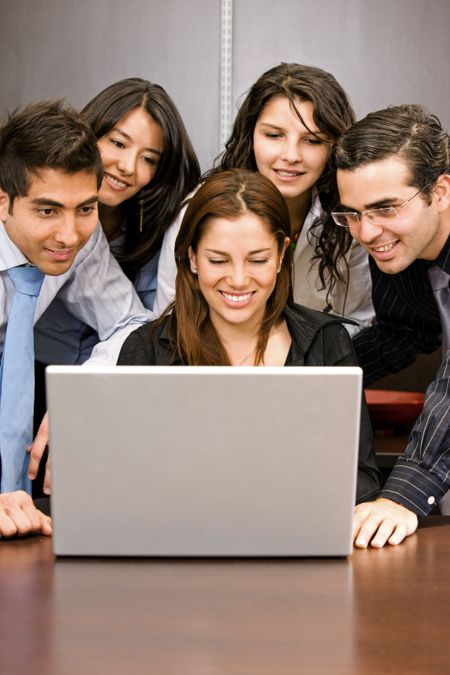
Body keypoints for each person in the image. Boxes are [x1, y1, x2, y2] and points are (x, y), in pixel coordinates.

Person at [118, 169, 382, 505]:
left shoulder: (326, 342)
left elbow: (363, 477)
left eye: (258, 260)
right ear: (192, 257)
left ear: (281, 254)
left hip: (295, 541)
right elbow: (126, 480)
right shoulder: (147, 350)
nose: (239, 280)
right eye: (218, 260)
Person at [0, 100, 153, 537]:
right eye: (47, 210)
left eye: (85, 208)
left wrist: (82, 394)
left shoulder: (81, 239)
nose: (70, 236)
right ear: (3, 202)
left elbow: (131, 323)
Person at [332, 103, 450, 548]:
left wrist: (402, 493)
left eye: (385, 208)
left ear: (440, 191)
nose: (366, 232)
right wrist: (312, 370)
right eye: (354, 214)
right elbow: (405, 332)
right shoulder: (396, 242)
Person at [34, 78, 200, 366]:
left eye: (148, 159)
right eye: (118, 143)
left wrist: (87, 385)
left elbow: (137, 323)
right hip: (33, 364)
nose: (127, 166)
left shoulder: (154, 228)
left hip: (105, 373)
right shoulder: (31, 209)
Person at [207, 63, 374, 335]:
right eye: (274, 135)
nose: (291, 155)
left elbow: (355, 321)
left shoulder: (350, 220)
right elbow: (172, 317)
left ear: (335, 146)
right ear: (250, 136)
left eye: (312, 141)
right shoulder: (201, 208)